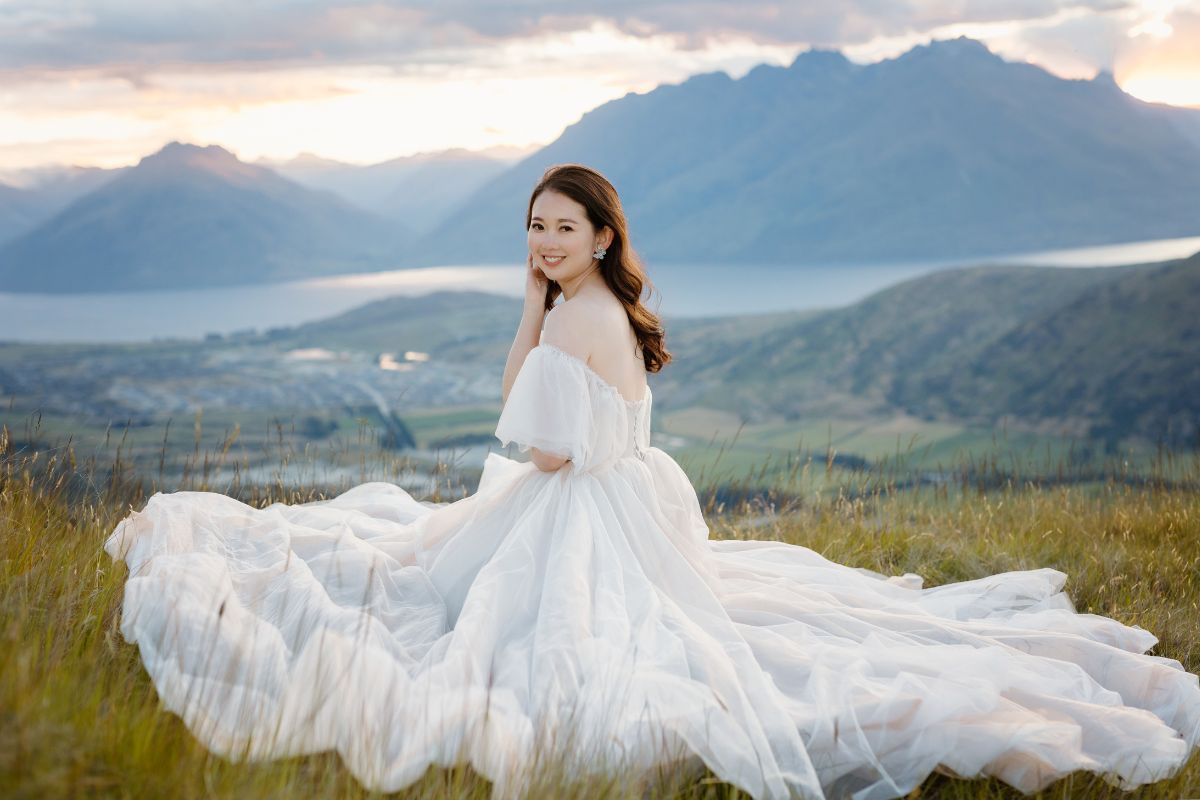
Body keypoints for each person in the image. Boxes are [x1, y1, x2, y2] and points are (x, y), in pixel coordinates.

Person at [105, 164, 1200, 800]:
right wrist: (539, 320)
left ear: (601, 234)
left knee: (456, 619)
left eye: (560, 228)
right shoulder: (618, 306)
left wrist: (531, 323)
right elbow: (558, 417)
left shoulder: (574, 314)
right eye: (533, 228)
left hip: (580, 504)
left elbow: (527, 443)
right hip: (635, 493)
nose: (542, 242)